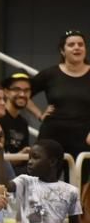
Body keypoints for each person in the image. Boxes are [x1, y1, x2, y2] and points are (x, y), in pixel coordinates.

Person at [30, 30, 90, 161]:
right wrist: (38, 114)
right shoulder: (49, 74)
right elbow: (22, 93)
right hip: (52, 134)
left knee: (80, 179)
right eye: (71, 44)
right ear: (62, 51)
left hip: (84, 136)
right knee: (45, 177)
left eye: (81, 44)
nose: (77, 48)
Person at [0, 72, 33, 155]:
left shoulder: (23, 123)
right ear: (6, 92)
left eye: (26, 90)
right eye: (16, 89)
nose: (22, 94)